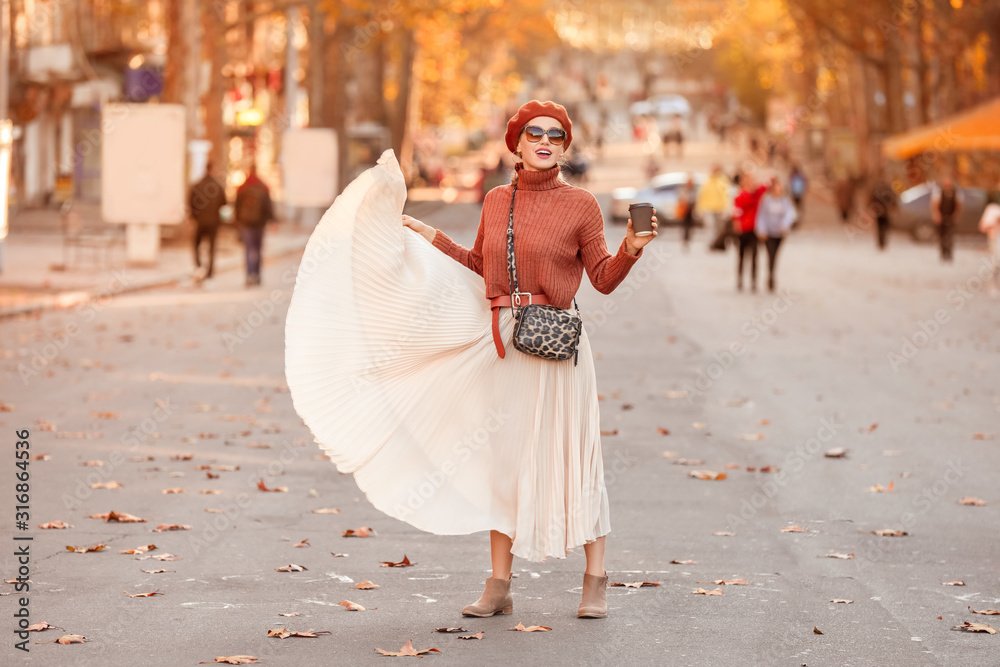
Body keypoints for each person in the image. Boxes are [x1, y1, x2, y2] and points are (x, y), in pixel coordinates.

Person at [285, 100, 657, 622]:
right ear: (517, 143)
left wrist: (632, 247)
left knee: (574, 458)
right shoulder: (496, 201)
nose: (545, 140)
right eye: (534, 133)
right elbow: (481, 267)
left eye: (556, 134)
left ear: (565, 147)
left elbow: (602, 278)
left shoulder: (582, 206)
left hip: (559, 345)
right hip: (508, 343)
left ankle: (595, 580)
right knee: (505, 462)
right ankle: (499, 586)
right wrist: (429, 238)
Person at [234, 164, 274, 286]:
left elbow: (237, 206)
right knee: (258, 250)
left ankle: (249, 275)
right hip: (260, 224)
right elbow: (268, 205)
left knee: (248, 250)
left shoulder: (242, 187)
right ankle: (257, 275)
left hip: (246, 224)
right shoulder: (263, 186)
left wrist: (237, 221)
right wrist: (271, 219)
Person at [754, 179, 796, 292]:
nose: (779, 190)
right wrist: (761, 230)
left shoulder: (785, 201)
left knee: (775, 255)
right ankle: (770, 276)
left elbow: (789, 214)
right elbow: (761, 215)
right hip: (768, 233)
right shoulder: (766, 200)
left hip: (780, 233)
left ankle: (772, 274)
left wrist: (785, 225)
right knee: (770, 254)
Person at [188, 162, 227, 281]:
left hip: (200, 221)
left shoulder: (197, 184)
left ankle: (199, 267)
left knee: (196, 245)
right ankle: (210, 272)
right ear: (213, 169)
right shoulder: (218, 186)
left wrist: (194, 217)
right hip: (214, 222)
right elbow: (224, 203)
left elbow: (191, 203)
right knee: (212, 247)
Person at [733, 173, 767, 291]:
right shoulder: (740, 194)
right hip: (743, 229)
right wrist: (737, 224)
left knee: (754, 256)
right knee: (741, 256)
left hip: (754, 229)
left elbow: (768, 185)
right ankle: (740, 280)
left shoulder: (757, 193)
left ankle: (753, 281)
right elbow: (736, 211)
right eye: (748, 181)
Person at [697, 165, 732, 251]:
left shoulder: (722, 180)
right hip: (708, 208)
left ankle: (718, 244)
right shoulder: (707, 180)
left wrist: (726, 208)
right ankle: (711, 244)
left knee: (719, 228)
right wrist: (699, 208)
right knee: (710, 227)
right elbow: (702, 195)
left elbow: (726, 195)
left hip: (719, 208)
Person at [931, 174, 962, 262]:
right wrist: (937, 215)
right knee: (941, 236)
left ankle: (949, 254)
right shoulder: (938, 191)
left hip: (950, 216)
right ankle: (943, 254)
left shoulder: (955, 191)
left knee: (950, 236)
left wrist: (955, 215)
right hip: (942, 216)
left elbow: (958, 205)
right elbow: (935, 204)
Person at [869, 173, 897, 250]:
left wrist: (871, 207)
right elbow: (893, 198)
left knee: (879, 227)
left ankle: (880, 241)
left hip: (879, 210)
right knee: (884, 226)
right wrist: (893, 207)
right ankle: (883, 241)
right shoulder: (888, 187)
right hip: (885, 211)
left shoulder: (876, 187)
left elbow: (871, 198)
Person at [678, 175, 696, 251]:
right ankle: (685, 238)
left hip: (690, 210)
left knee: (689, 225)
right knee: (685, 225)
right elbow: (680, 199)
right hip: (685, 210)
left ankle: (687, 238)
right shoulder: (684, 189)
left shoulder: (693, 190)